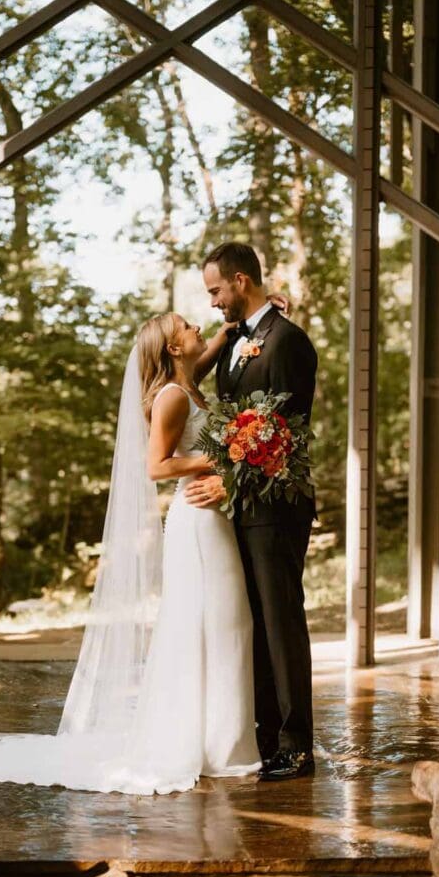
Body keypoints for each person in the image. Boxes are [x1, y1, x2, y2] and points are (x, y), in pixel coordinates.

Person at [0, 311, 262, 794]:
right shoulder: (170, 398)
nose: (196, 328)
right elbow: (157, 466)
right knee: (216, 624)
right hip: (197, 521)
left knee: (224, 625)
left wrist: (228, 333)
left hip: (211, 519)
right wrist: (227, 455)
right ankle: (208, 747)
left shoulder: (188, 387)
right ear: (172, 348)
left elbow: (195, 370)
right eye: (187, 327)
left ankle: (222, 744)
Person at [185, 242, 317, 781]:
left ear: (241, 281)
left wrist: (225, 479)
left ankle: (296, 743)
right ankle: (266, 738)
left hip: (275, 507)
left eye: (216, 290)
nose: (213, 301)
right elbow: (182, 372)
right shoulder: (242, 338)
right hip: (243, 509)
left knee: (281, 621)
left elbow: (283, 435)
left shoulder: (287, 342)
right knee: (255, 622)